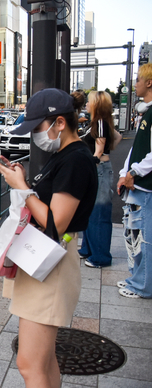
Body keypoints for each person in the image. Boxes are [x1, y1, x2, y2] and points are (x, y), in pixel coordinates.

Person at [0, 88, 97, 388]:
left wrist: (22, 188)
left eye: (38, 127)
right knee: (43, 361)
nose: (35, 135)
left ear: (60, 123)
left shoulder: (76, 160)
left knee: (30, 365)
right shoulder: (65, 155)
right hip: (45, 261)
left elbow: (56, 222)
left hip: (51, 264)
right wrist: (24, 183)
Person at [117, 63, 152, 299]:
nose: (135, 83)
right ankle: (136, 279)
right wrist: (124, 172)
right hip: (137, 185)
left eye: (138, 79)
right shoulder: (146, 113)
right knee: (136, 237)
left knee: (146, 241)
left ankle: (142, 286)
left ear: (149, 82)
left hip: (145, 186)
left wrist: (134, 173)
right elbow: (135, 149)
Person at [78, 91, 116, 268]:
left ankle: (100, 257)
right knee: (90, 212)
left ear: (97, 104)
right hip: (99, 169)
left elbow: (99, 149)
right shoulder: (100, 122)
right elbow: (117, 137)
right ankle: (88, 249)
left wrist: (93, 161)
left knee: (98, 214)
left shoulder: (99, 122)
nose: (86, 104)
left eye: (89, 101)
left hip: (98, 169)